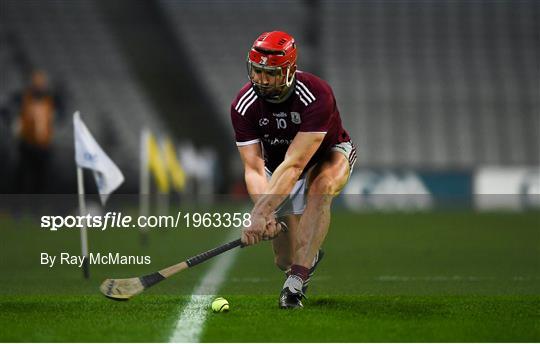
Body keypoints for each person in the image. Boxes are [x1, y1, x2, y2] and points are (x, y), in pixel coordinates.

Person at [230, 31, 357, 309]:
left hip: (327, 156)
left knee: (320, 187)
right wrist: (268, 212)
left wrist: (260, 211)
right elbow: (253, 168)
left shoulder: (316, 94)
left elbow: (296, 163)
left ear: (289, 71)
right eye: (257, 71)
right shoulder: (243, 106)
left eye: (270, 73)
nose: (261, 80)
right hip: (277, 170)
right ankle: (304, 259)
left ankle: (295, 285)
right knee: (284, 259)